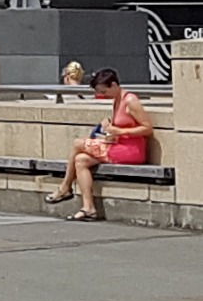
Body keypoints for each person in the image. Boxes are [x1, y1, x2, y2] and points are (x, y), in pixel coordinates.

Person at [44, 68, 153, 221]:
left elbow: (147, 128)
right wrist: (111, 132)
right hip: (118, 145)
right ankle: (88, 208)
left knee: (78, 144)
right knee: (80, 160)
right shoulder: (117, 100)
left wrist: (118, 131)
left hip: (131, 151)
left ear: (114, 85)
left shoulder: (130, 101)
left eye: (104, 91)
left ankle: (65, 187)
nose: (103, 95)